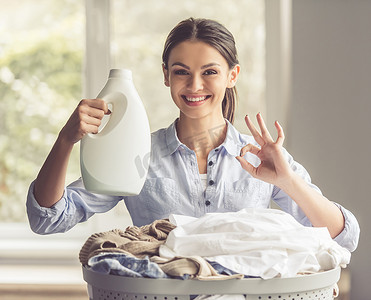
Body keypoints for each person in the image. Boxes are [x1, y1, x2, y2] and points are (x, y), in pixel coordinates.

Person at [26, 18, 359, 252]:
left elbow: (343, 238)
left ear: (233, 75)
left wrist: (287, 180)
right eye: (181, 72)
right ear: (166, 76)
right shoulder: (139, 153)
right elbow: (48, 219)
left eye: (210, 72)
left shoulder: (262, 158)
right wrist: (66, 140)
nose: (195, 85)